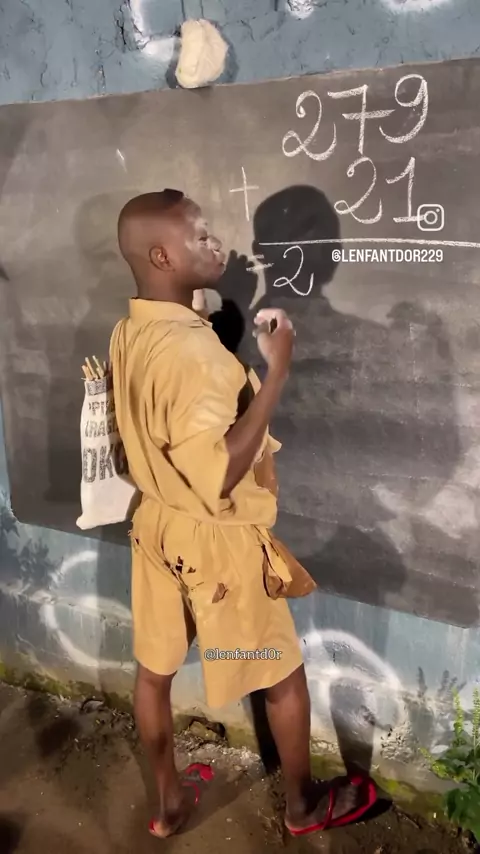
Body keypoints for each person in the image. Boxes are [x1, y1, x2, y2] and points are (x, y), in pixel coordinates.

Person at [109, 189, 376, 839]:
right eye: (201, 235)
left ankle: (170, 804)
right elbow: (219, 472)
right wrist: (276, 372)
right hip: (216, 544)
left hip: (156, 527)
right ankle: (301, 807)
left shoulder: (131, 330)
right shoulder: (196, 356)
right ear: (162, 256)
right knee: (281, 675)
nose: (218, 243)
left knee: (154, 670)